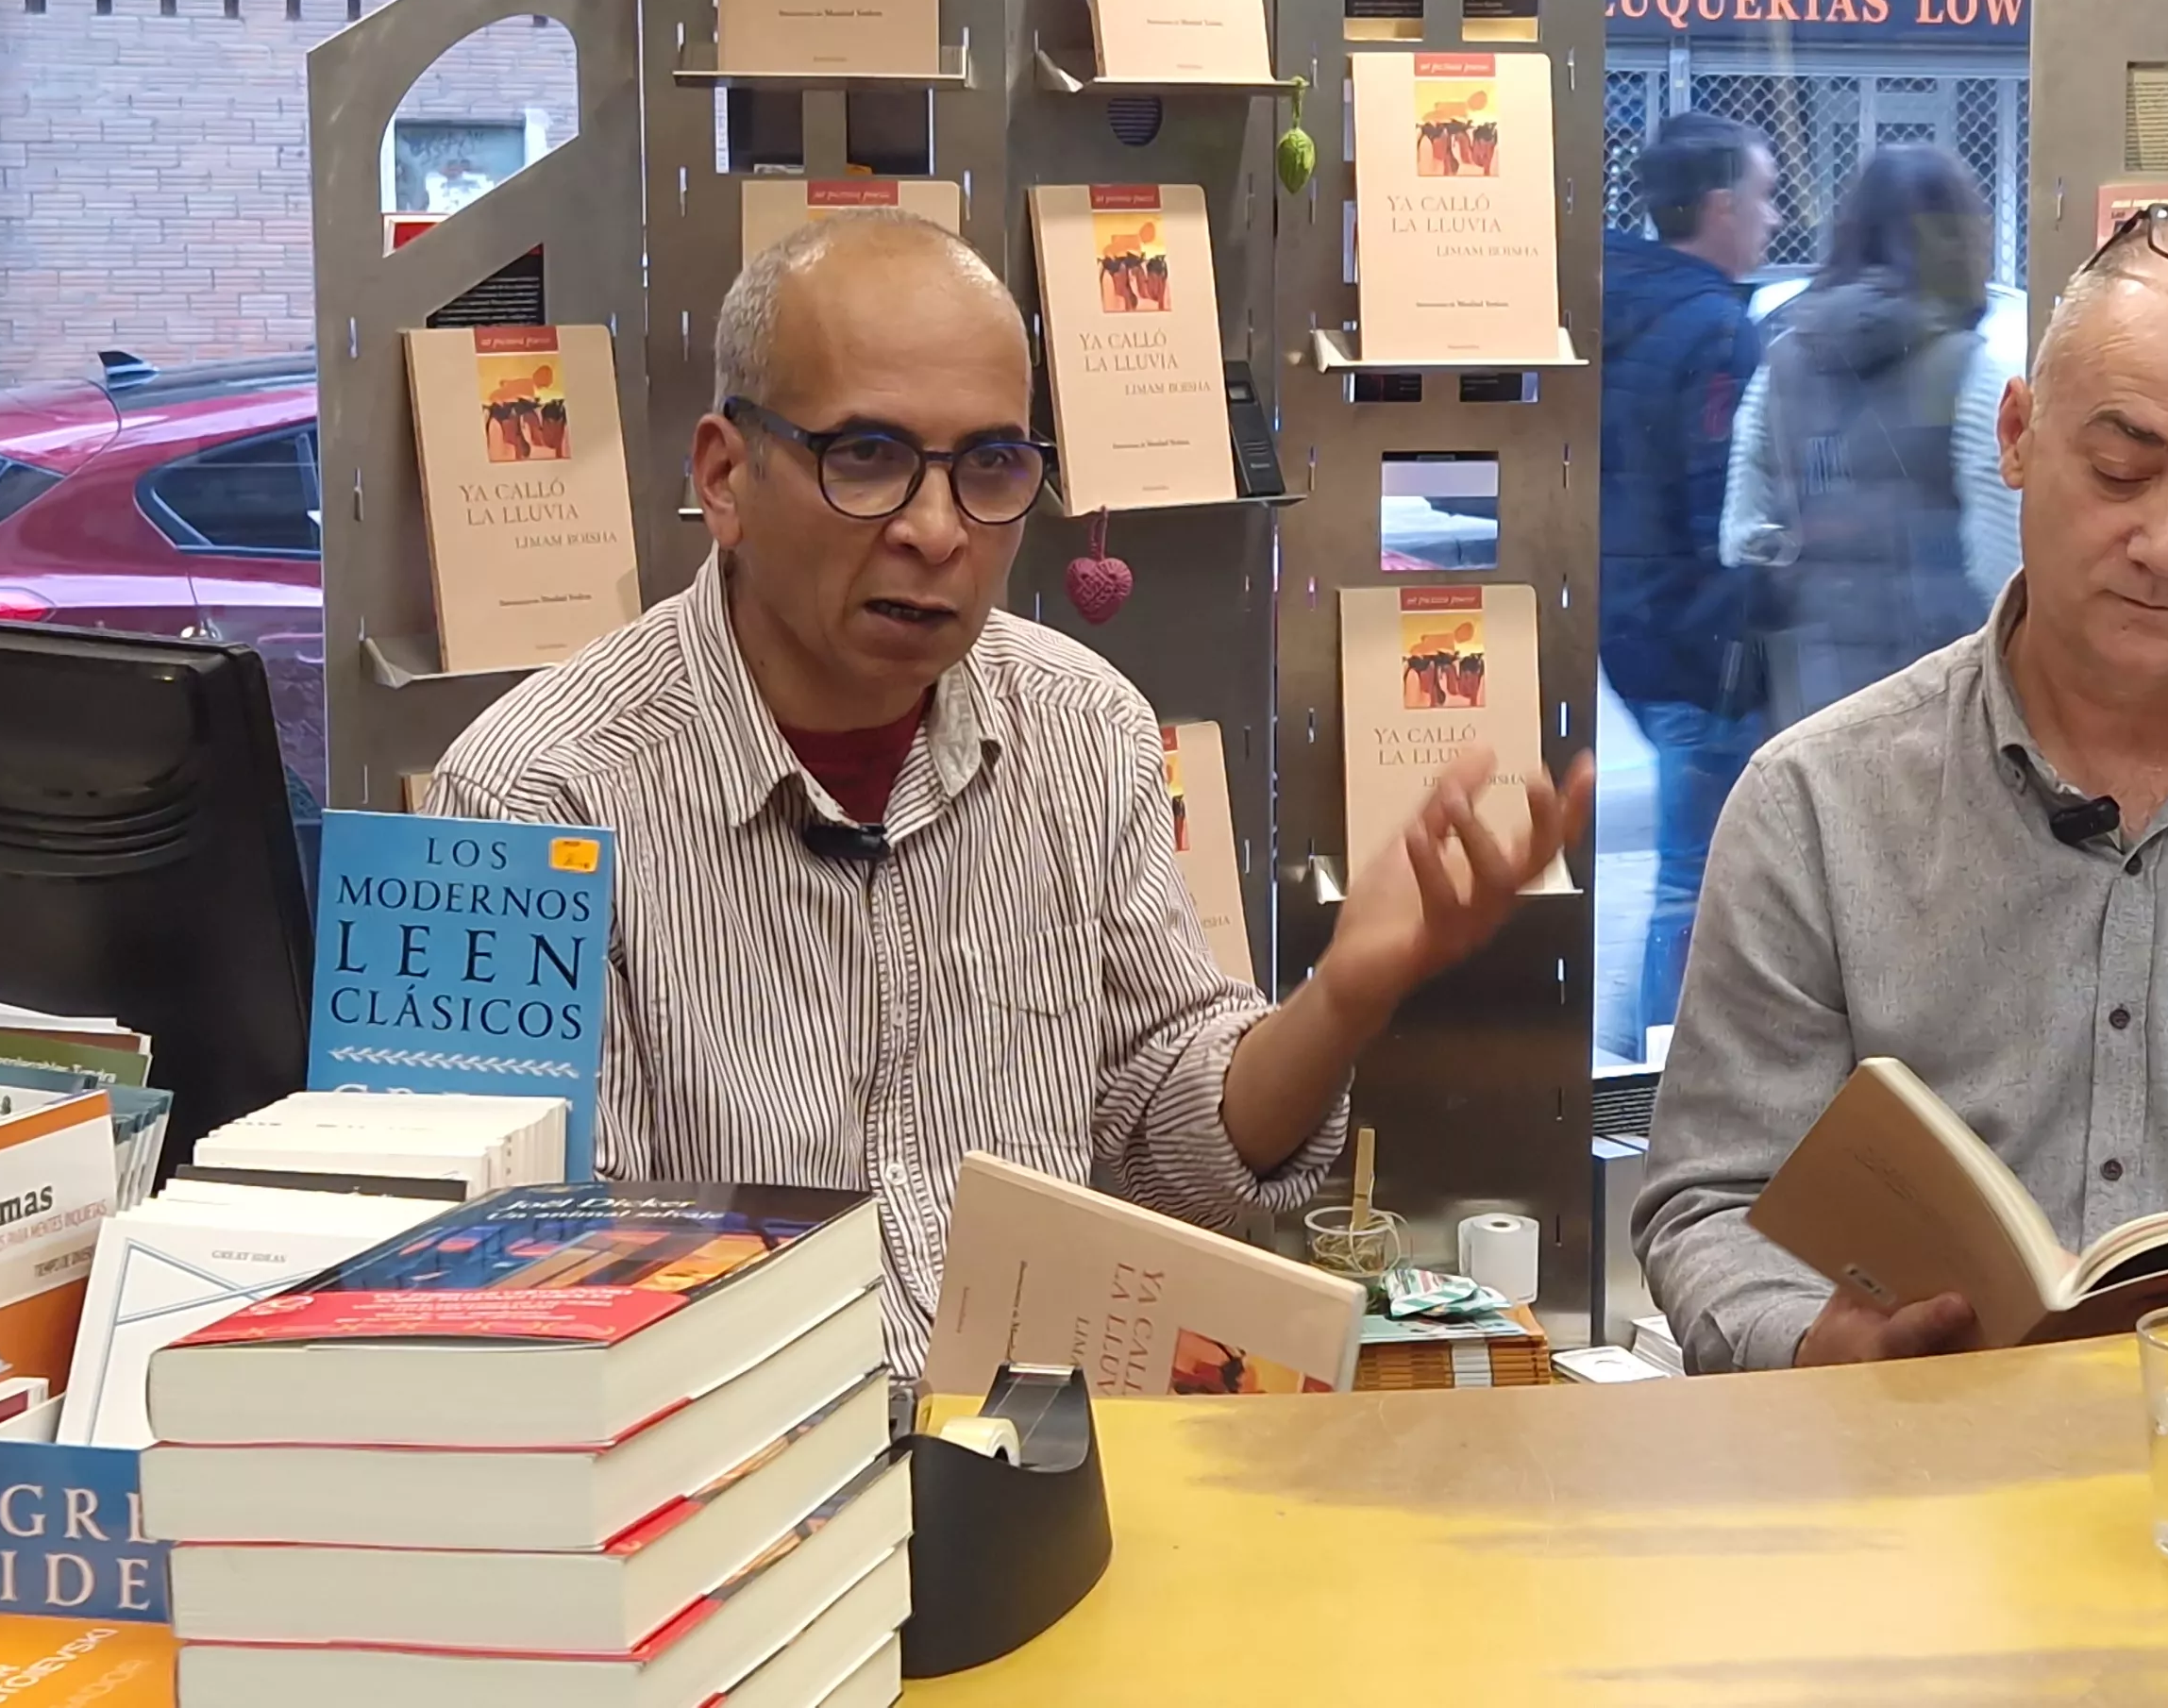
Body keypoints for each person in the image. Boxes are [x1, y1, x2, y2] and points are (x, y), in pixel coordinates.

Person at [427, 212, 1592, 1387]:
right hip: (742, 1505)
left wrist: (1342, 995)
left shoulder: (1082, 726)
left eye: (988, 468)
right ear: (727, 475)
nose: (935, 532)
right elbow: (542, 1290)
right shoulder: (534, 796)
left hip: (1059, 1472)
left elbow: (1162, 1146)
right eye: (867, 457)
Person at [1635, 204, 2168, 1373]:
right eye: (2120, 469)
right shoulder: (1818, 803)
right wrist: (1807, 1344)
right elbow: (1713, 1196)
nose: (2167, 540)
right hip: (1907, 1471)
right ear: (2015, 436)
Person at [1600, 111, 1778, 1063]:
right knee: (1692, 874)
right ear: (1718, 206)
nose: (1770, 216)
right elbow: (1727, 510)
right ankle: (1654, 1066)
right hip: (1699, 641)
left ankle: (1646, 1052)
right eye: (1762, 195)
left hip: (1631, 625)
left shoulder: (1619, 303)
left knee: (1687, 864)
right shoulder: (1713, 327)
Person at [1729, 144, 2004, 728]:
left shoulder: (1780, 360)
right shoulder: (1971, 370)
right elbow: (2000, 561)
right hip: (1940, 690)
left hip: (1811, 685)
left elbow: (1741, 532)